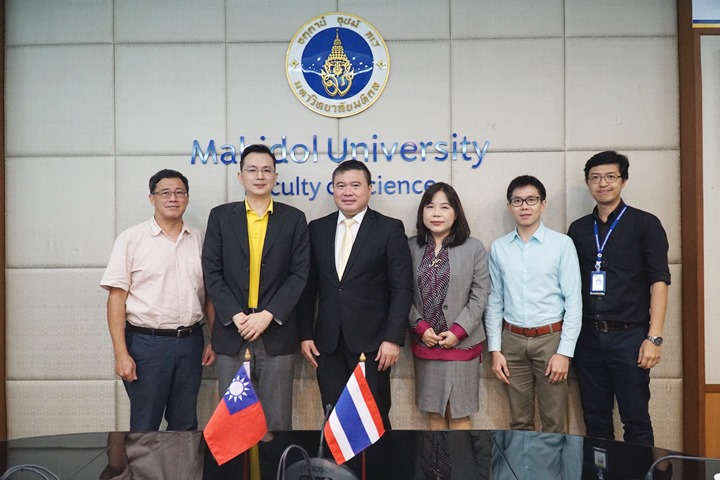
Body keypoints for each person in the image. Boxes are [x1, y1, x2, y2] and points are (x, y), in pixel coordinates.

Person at [202, 144, 310, 439]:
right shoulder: (221, 217)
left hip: (276, 333)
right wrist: (236, 315)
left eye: (266, 170)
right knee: (233, 425)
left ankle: (277, 464)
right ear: (240, 176)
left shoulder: (294, 218)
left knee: (277, 424)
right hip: (232, 332)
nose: (259, 176)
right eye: (252, 170)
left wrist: (268, 314)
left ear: (275, 176)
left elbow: (300, 274)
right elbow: (211, 272)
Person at [298, 159, 413, 429]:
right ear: (333, 189)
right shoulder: (317, 228)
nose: (347, 192)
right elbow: (307, 287)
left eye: (355, 185)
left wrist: (393, 339)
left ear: (369, 188)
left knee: (373, 420)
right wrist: (305, 334)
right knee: (335, 421)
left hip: (374, 345)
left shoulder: (389, 228)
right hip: (327, 345)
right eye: (340, 186)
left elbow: (401, 288)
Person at [567, 151, 670, 446]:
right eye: (595, 178)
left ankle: (639, 470)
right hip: (587, 338)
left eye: (610, 177)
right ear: (588, 183)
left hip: (629, 338)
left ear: (623, 180)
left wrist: (654, 338)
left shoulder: (645, 224)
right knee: (595, 421)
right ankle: (603, 470)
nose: (603, 183)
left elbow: (659, 281)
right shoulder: (578, 229)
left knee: (635, 421)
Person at [100, 169, 215, 432]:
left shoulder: (200, 239)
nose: (173, 198)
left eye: (179, 192)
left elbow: (210, 295)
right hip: (146, 345)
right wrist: (121, 354)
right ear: (152, 198)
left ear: (187, 198)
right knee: (145, 426)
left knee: (185, 424)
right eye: (165, 193)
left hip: (191, 343)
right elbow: (116, 299)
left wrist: (215, 339)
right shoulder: (131, 239)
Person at [485, 175, 582, 433]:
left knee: (554, 423)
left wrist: (564, 352)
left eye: (531, 200)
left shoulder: (562, 244)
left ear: (543, 204)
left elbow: (574, 301)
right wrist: (495, 349)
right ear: (509, 206)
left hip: (551, 340)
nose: (524, 206)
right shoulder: (499, 248)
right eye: (517, 201)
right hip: (512, 341)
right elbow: (494, 301)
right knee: (519, 422)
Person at [407, 182, 490, 430]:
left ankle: (460, 457)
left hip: (462, 344)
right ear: (422, 212)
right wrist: (419, 327)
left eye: (444, 207)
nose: (436, 213)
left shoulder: (473, 247)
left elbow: (480, 294)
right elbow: (401, 293)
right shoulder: (410, 247)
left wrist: (458, 331)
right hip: (426, 343)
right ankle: (438, 458)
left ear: (456, 213)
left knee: (459, 414)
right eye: (430, 206)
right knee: (434, 413)